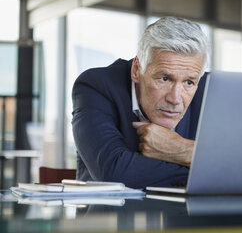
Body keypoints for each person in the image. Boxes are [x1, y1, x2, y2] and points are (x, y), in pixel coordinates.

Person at [72, 17, 209, 189]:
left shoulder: (208, 90)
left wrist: (183, 150)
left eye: (189, 83)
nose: (175, 99)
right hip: (107, 213)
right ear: (137, 70)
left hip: (183, 213)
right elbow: (114, 173)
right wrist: (210, 167)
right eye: (164, 78)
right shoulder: (96, 85)